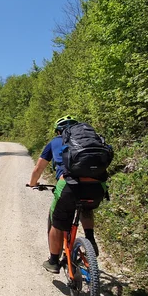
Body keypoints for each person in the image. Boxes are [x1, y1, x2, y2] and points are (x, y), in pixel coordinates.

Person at [27, 115, 107, 273]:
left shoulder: (54, 142)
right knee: (86, 208)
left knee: (57, 221)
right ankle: (90, 239)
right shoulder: (90, 139)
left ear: (58, 131)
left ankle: (53, 261)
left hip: (69, 185)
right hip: (98, 184)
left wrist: (33, 184)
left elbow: (38, 168)